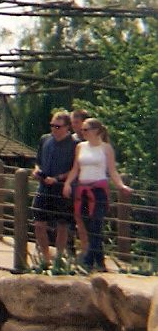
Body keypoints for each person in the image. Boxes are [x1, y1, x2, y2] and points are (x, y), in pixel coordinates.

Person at [62, 117, 131, 272]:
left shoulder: (106, 148)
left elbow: (112, 170)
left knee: (95, 225)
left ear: (96, 131)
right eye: (82, 130)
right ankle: (99, 262)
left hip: (98, 190)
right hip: (83, 189)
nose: (82, 132)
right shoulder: (80, 147)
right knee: (87, 225)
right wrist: (67, 183)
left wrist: (120, 185)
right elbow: (75, 168)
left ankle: (87, 259)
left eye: (86, 129)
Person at [31, 111, 78, 268]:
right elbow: (38, 161)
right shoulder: (44, 139)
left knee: (62, 225)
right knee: (38, 223)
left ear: (67, 127)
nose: (54, 129)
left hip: (61, 188)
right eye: (52, 125)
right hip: (43, 186)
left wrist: (58, 179)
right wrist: (37, 170)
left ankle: (59, 258)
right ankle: (46, 259)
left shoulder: (74, 144)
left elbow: (75, 168)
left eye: (58, 126)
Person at [69, 108, 90, 255]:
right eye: (72, 122)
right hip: (73, 182)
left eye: (76, 122)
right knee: (72, 217)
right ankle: (72, 249)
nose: (74, 125)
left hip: (87, 183)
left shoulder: (92, 140)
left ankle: (86, 250)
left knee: (84, 217)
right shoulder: (71, 140)